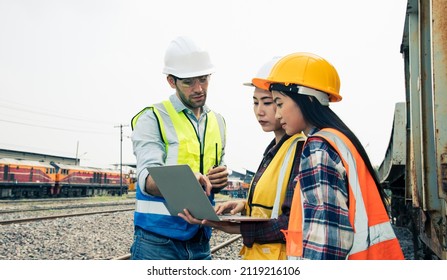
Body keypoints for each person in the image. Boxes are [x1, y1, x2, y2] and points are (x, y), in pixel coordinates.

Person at [252, 52, 404, 260]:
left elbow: (326, 242)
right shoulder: (339, 139)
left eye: (279, 103)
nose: (277, 115)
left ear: (304, 99)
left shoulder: (318, 149)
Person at [179, 57, 305, 260]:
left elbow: (291, 222)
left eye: (268, 102)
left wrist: (229, 226)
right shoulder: (274, 150)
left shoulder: (300, 150)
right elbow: (274, 204)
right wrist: (244, 206)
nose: (259, 111)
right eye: (255, 103)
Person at [129, 36, 229, 260]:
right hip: (157, 241)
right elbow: (146, 180)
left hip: (201, 239)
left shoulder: (218, 122)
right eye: (188, 82)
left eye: (203, 79)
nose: (199, 89)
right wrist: (185, 180)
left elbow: (212, 181)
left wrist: (219, 180)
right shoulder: (152, 118)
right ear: (171, 81)